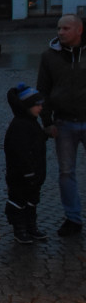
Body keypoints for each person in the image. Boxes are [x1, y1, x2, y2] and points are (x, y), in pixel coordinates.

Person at [37, 13, 86, 237]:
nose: (60, 32)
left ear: (79, 30)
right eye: (59, 28)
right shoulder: (49, 57)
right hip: (64, 122)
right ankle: (73, 218)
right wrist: (47, 121)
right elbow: (43, 90)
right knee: (66, 172)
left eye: (66, 28)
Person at [4, 84, 49, 244]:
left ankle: (30, 226)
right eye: (37, 105)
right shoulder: (20, 125)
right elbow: (18, 152)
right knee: (18, 201)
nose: (40, 108)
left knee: (32, 201)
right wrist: (27, 172)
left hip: (33, 174)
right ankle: (20, 229)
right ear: (28, 106)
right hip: (21, 175)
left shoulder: (31, 122)